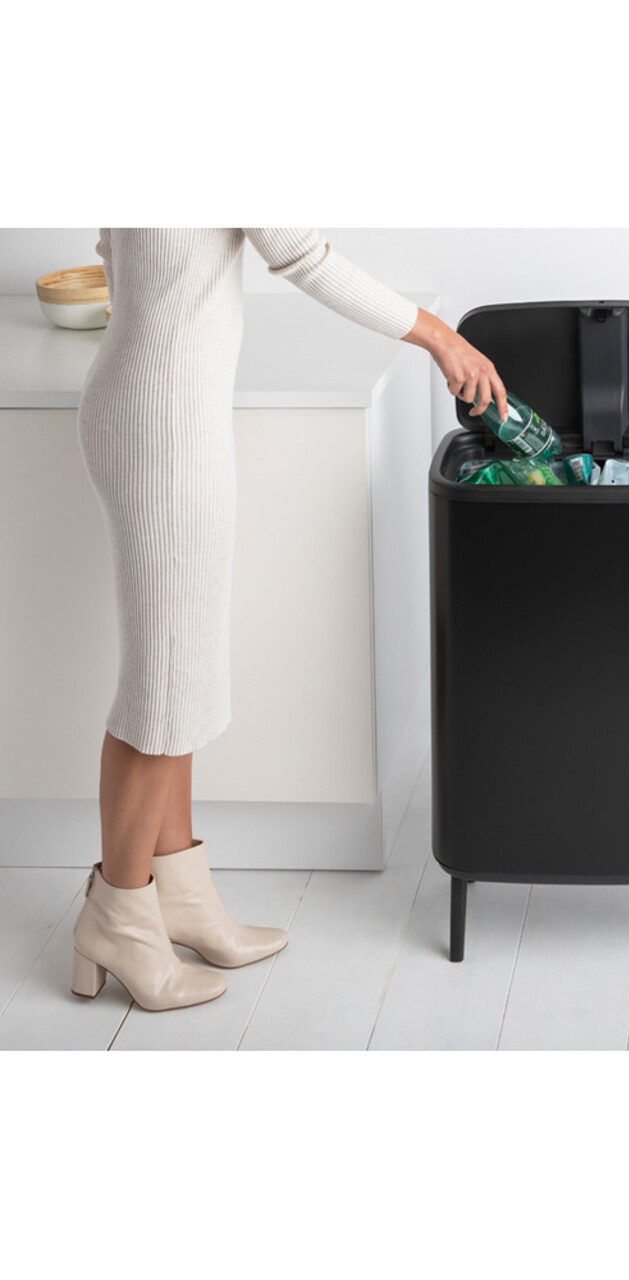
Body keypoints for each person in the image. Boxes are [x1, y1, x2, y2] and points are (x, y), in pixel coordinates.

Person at [70, 229, 506, 1011]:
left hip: (153, 401)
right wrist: (441, 338)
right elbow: (304, 256)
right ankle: (119, 917)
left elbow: (119, 249)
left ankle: (180, 893)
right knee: (161, 691)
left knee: (181, 673)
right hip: (166, 420)